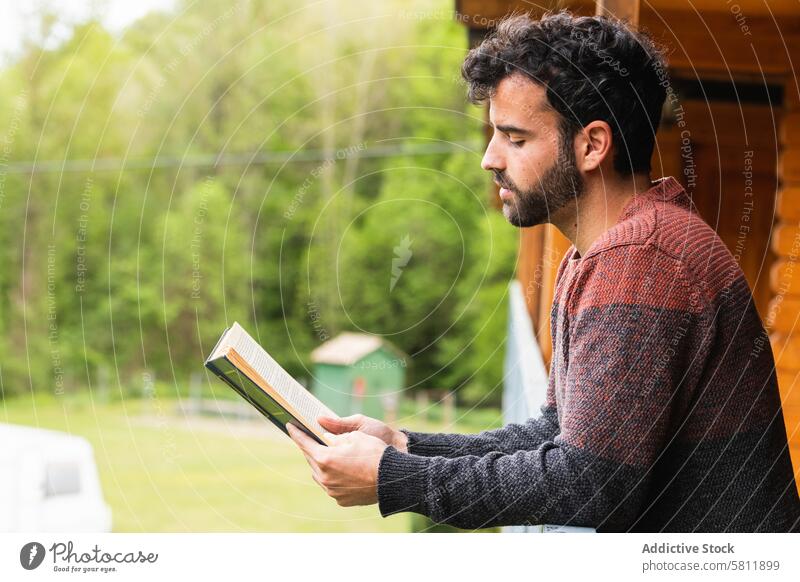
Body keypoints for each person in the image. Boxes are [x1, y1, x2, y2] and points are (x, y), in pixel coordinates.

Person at [287, 11, 800, 532]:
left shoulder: (644, 261)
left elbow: (587, 484)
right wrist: (403, 446)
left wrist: (396, 479)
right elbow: (557, 435)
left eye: (515, 138)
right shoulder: (600, 254)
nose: (490, 158)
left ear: (592, 146)